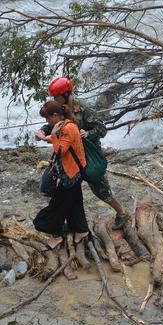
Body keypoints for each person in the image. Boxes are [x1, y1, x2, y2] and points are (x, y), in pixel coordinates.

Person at [38, 76, 131, 230]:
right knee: (68, 193)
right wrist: (42, 130)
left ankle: (121, 213)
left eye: (57, 96)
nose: (55, 99)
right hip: (70, 158)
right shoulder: (59, 108)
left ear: (66, 94)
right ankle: (71, 224)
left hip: (88, 157)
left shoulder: (84, 108)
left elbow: (101, 129)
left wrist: (87, 133)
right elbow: (53, 122)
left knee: (101, 190)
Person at [34, 101, 89, 250]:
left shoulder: (69, 127)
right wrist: (46, 137)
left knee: (57, 205)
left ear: (56, 115)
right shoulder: (64, 125)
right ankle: (81, 230)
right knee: (75, 202)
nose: (47, 122)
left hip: (71, 174)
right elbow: (61, 141)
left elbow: (60, 150)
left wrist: (52, 135)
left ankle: (56, 235)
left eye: (48, 118)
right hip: (73, 171)